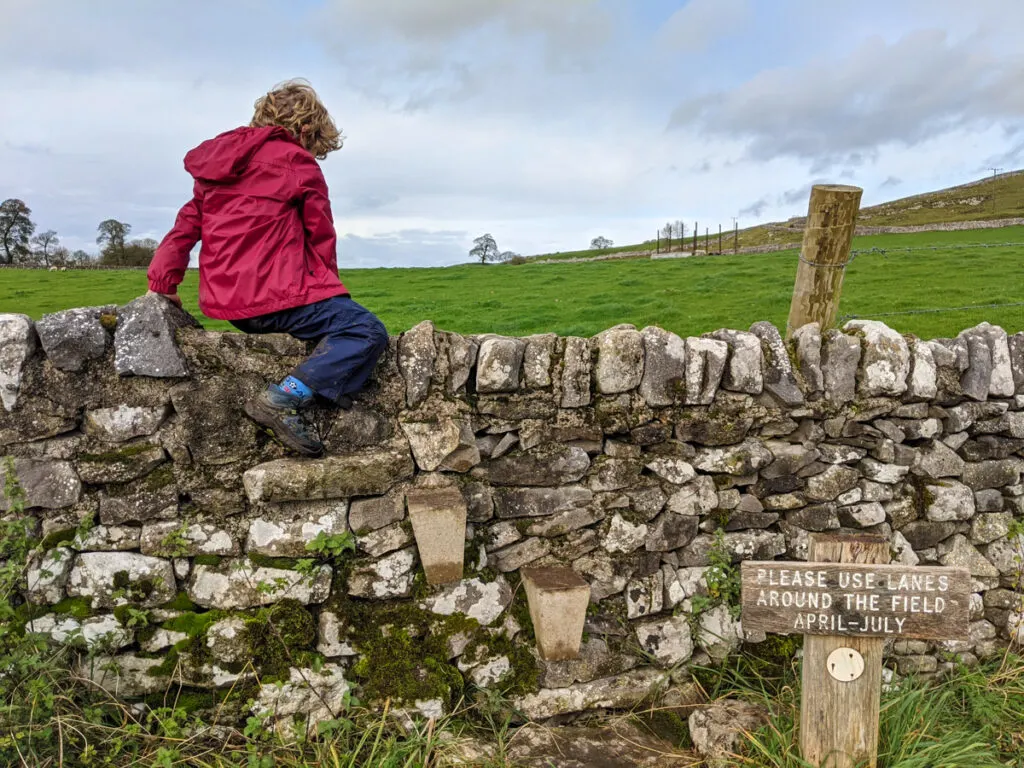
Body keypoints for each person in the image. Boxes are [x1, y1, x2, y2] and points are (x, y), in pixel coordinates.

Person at [147, 79, 388, 457]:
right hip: (277, 297)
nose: (312, 149)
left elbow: (186, 225)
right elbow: (320, 234)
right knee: (364, 330)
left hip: (230, 307)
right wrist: (329, 290)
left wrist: (163, 283)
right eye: (314, 142)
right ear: (306, 129)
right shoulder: (296, 161)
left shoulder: (218, 167)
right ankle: (283, 398)